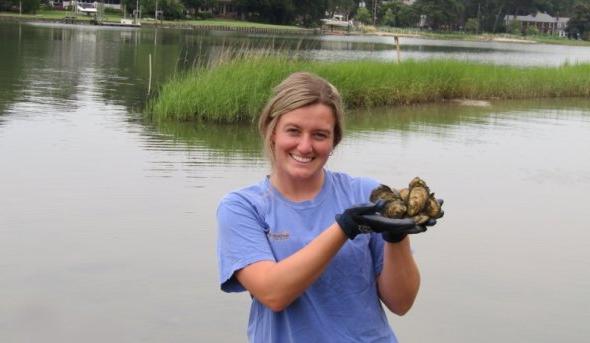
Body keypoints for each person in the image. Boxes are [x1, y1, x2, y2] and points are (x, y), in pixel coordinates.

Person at [217, 72, 434, 342]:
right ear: (271, 132)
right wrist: (345, 227)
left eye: (320, 135)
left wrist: (396, 237)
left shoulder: (365, 193)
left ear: (334, 142)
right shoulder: (242, 207)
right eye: (293, 131)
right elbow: (273, 293)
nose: (305, 146)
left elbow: (401, 303)